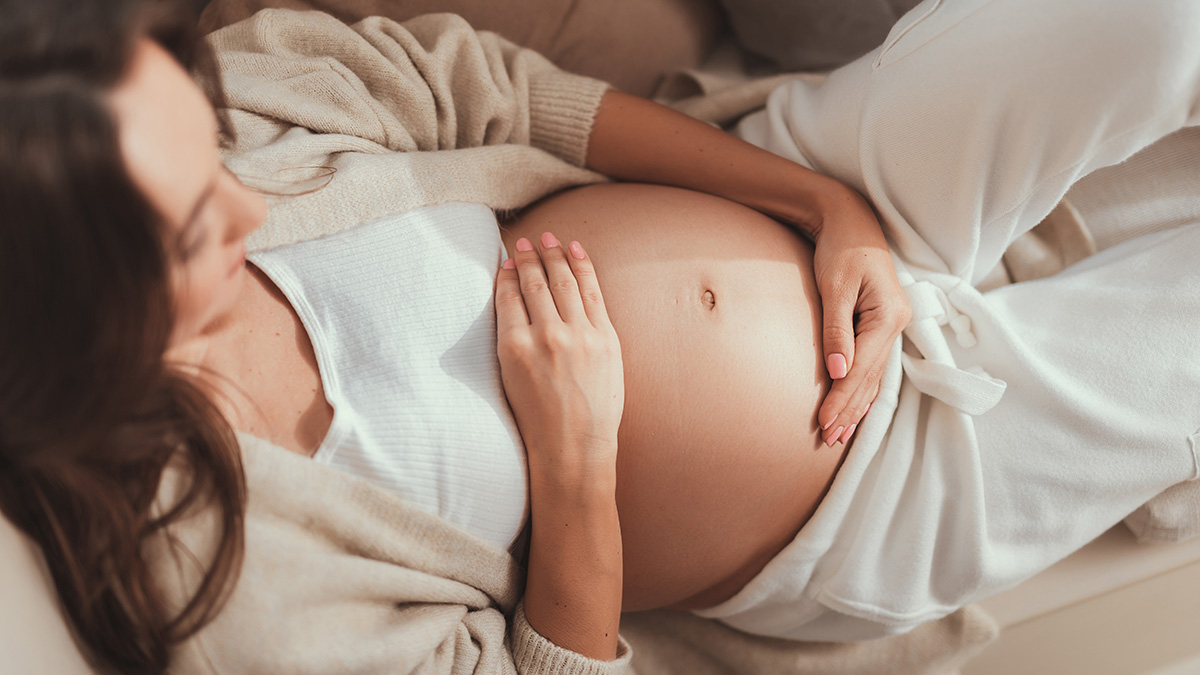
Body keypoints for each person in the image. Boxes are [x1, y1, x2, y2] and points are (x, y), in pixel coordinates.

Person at [0, 0, 908, 671]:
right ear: (88, 321)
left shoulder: (236, 108)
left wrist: (823, 204)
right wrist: (576, 465)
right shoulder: (234, 594)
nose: (246, 195)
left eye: (208, 151)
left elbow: (497, 92)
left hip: (813, 180)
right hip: (867, 505)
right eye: (198, 222)